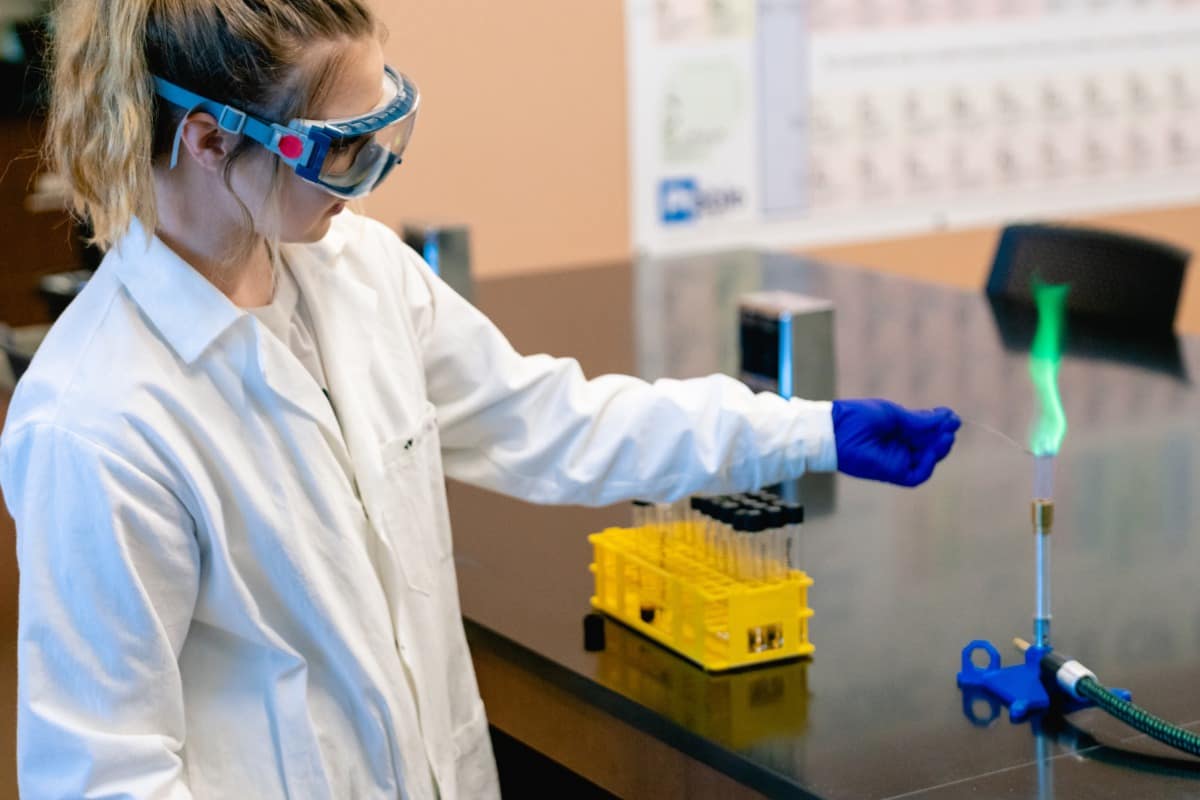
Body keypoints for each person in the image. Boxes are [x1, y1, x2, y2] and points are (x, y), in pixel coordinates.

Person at [0, 0, 960, 797]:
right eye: (343, 152)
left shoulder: (357, 272)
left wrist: (807, 431)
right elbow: (103, 775)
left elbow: (553, 424)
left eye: (386, 133)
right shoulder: (99, 423)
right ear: (212, 140)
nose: (368, 184)